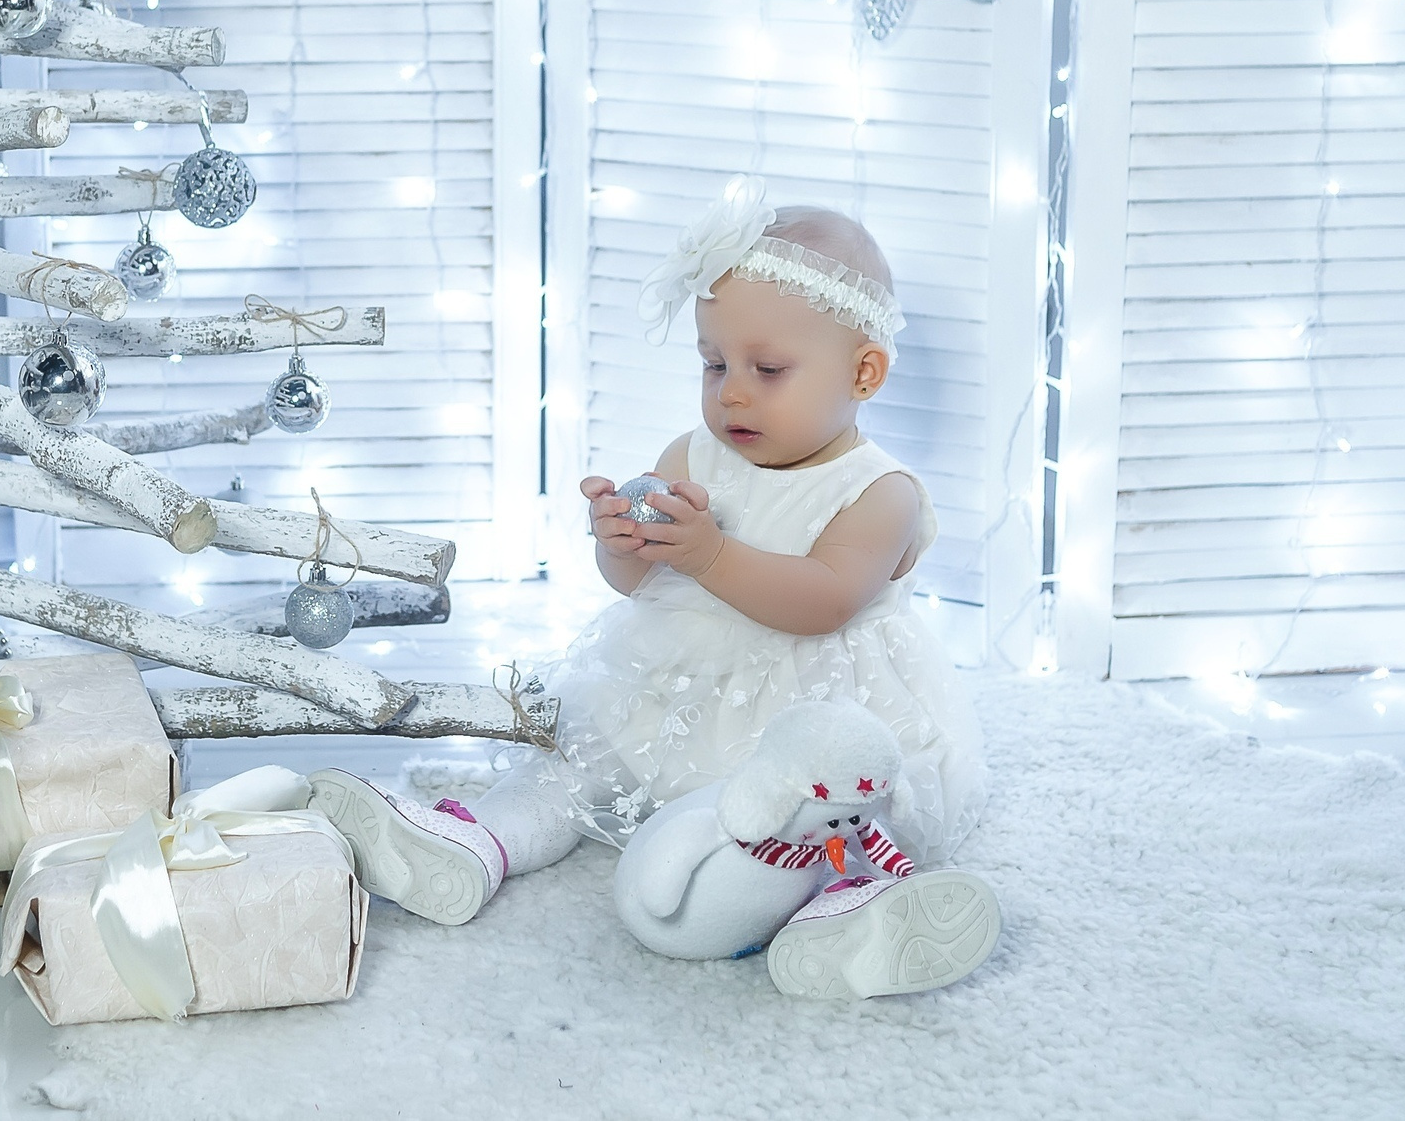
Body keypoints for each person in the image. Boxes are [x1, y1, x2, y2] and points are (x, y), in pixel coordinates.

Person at [310, 177, 990, 983]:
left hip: (810, 711)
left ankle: (843, 912)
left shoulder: (880, 493)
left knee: (824, 809)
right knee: (574, 766)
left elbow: (824, 601)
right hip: (679, 687)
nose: (731, 391)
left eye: (769, 368)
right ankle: (479, 843)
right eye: (714, 363)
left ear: (865, 372)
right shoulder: (691, 455)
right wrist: (625, 544)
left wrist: (709, 556)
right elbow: (636, 586)